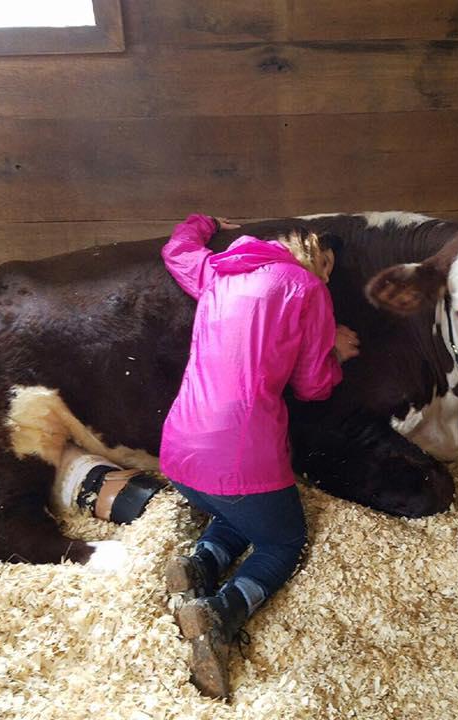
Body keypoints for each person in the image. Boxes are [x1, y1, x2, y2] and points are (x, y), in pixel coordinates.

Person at [159, 214, 359, 698]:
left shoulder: (220, 271)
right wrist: (336, 355)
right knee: (283, 541)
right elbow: (312, 386)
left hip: (180, 453)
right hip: (241, 454)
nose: (326, 274)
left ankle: (199, 565)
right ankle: (219, 615)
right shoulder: (307, 288)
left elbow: (177, 250)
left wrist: (203, 220)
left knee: (241, 508)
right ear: (311, 251)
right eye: (326, 263)